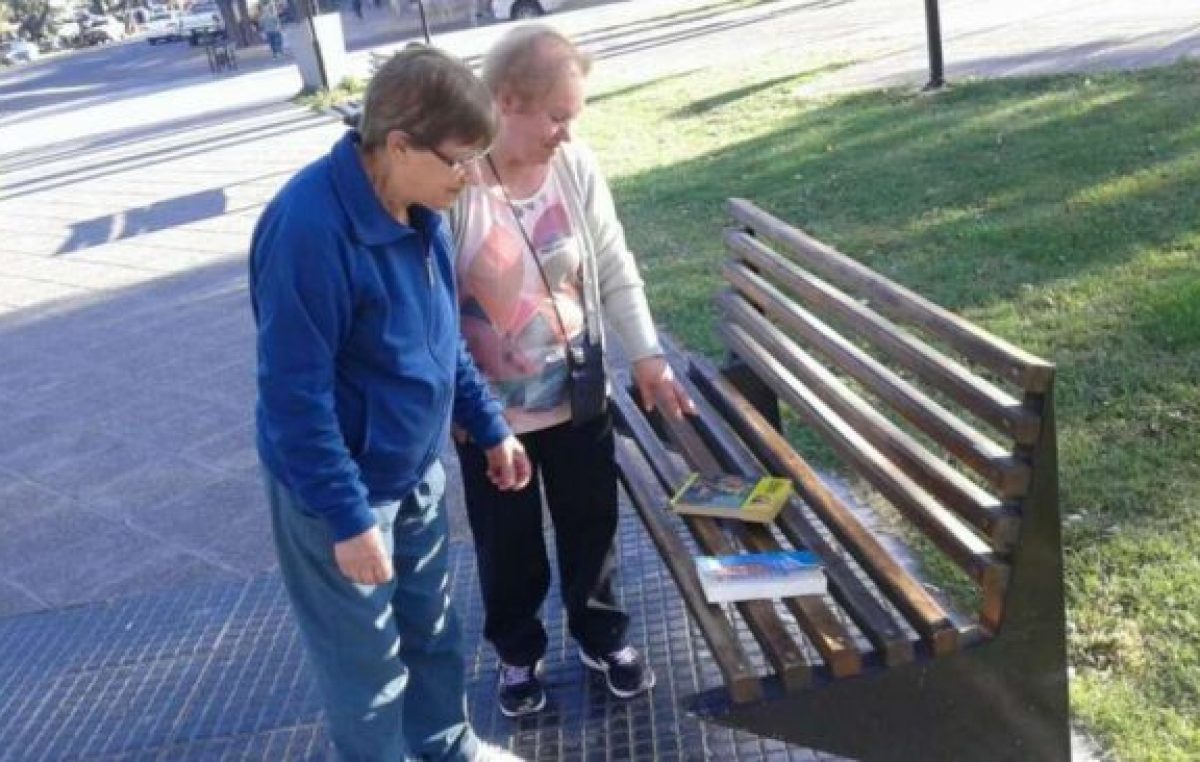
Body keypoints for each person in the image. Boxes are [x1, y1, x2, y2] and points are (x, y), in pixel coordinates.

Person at [250, 47, 531, 762]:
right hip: (340, 493)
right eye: (459, 160)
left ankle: (446, 744)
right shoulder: (308, 230)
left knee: (433, 631)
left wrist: (489, 424)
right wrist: (348, 520)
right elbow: (294, 399)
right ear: (399, 144)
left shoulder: (416, 206)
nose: (469, 179)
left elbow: (439, 339)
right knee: (366, 668)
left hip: (413, 474)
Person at [447, 24, 696, 718]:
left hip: (578, 394)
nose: (566, 131)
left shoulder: (575, 166)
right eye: (556, 115)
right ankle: (518, 653)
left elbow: (613, 264)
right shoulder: (458, 182)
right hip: (492, 415)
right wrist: (470, 415)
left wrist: (646, 356)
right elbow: (432, 306)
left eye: (573, 115)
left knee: (592, 525)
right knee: (508, 544)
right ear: (506, 100)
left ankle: (602, 636)